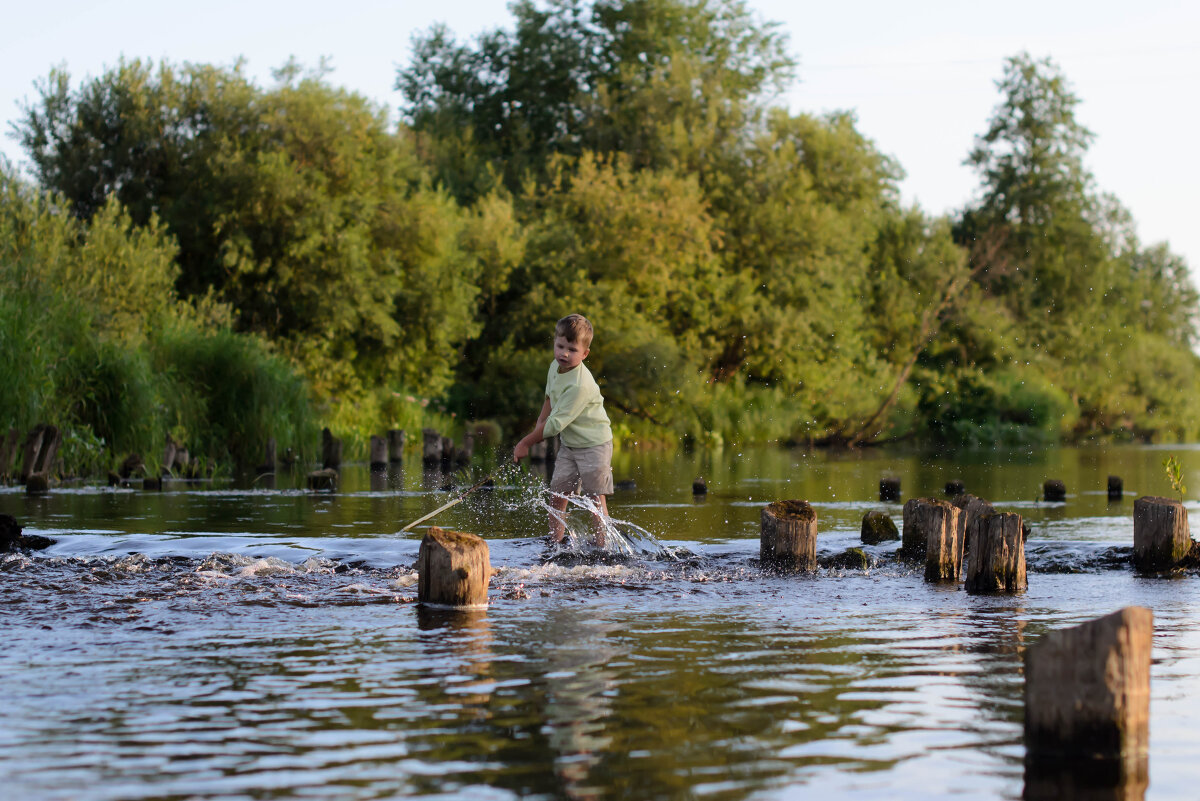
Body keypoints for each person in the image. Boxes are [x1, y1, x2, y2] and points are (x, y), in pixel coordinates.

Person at [513, 314, 614, 545]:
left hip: (594, 445)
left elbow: (556, 425)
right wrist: (540, 422)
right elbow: (549, 397)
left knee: (594, 498)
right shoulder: (555, 367)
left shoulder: (580, 385)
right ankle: (555, 543)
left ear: (585, 353)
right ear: (554, 344)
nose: (564, 354)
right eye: (560, 346)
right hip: (570, 445)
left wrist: (525, 442)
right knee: (557, 495)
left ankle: (604, 547)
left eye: (572, 349)